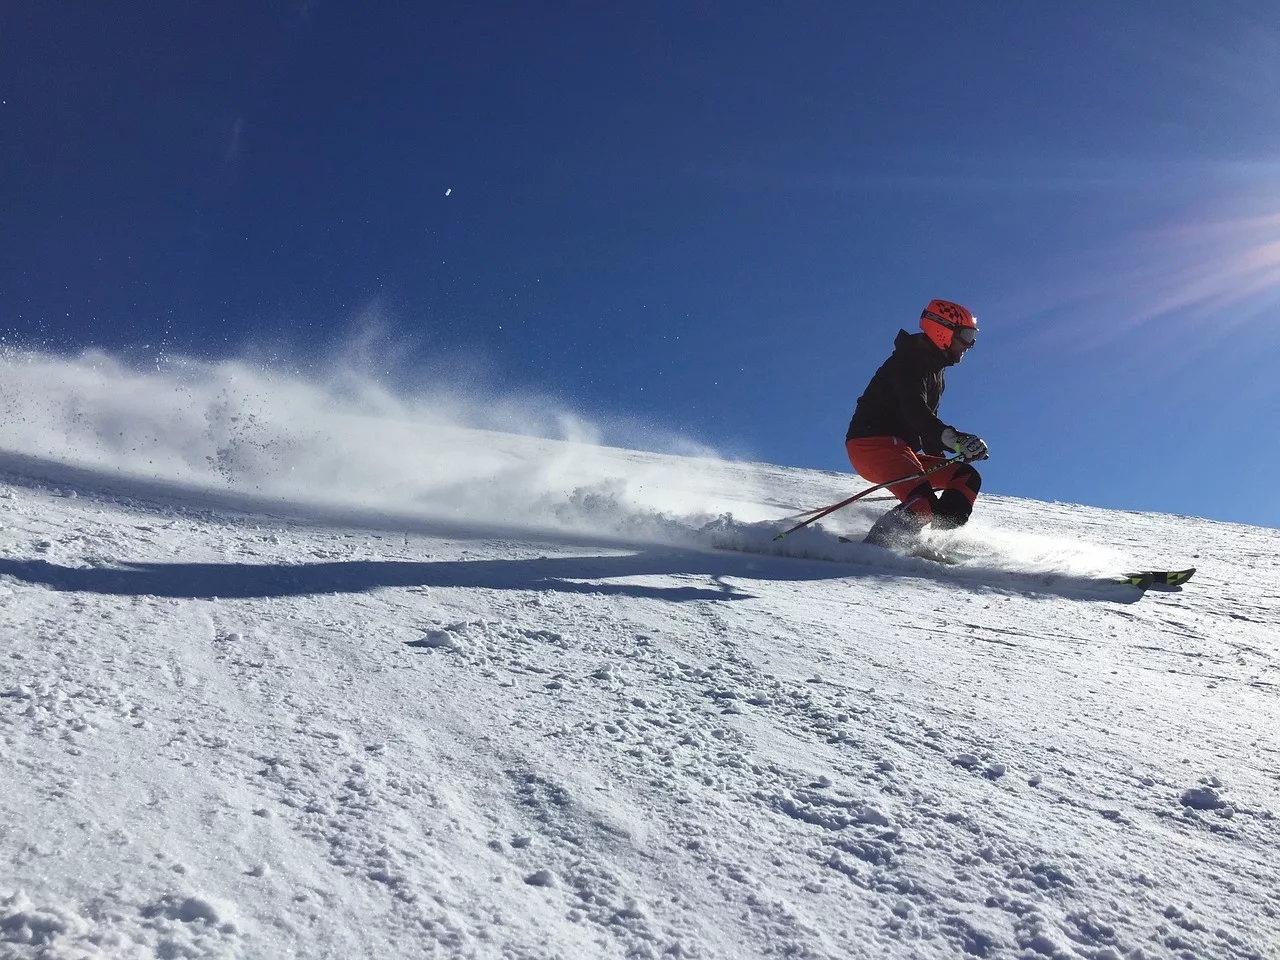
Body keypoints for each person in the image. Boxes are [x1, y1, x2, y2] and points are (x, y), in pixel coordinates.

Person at [845, 299, 988, 548]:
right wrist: (957, 441)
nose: (969, 345)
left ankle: (933, 542)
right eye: (965, 335)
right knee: (922, 504)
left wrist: (952, 452)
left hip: (901, 449)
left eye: (972, 337)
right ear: (942, 330)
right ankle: (875, 547)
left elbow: (926, 428)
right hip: (872, 444)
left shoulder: (936, 373)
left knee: (965, 477)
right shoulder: (910, 360)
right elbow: (915, 411)